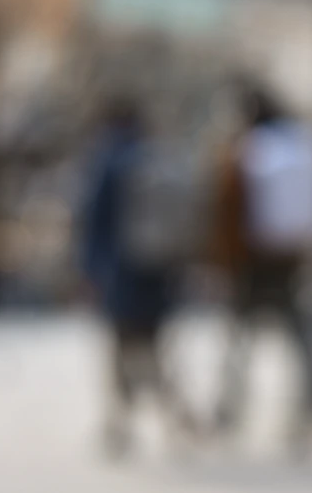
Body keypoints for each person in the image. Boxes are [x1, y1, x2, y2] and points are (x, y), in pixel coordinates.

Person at [211, 84, 312, 430]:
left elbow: (228, 210)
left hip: (252, 261)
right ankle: (309, 406)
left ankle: (228, 407)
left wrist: (221, 262)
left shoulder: (249, 149)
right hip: (292, 258)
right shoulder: (304, 143)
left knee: (238, 341)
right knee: (298, 339)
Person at [81, 102, 197, 456]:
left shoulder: (108, 161)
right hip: (158, 271)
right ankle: (175, 417)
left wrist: (90, 271)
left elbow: (93, 221)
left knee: (123, 350)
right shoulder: (156, 157)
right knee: (154, 348)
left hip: (122, 273)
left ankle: (120, 424)